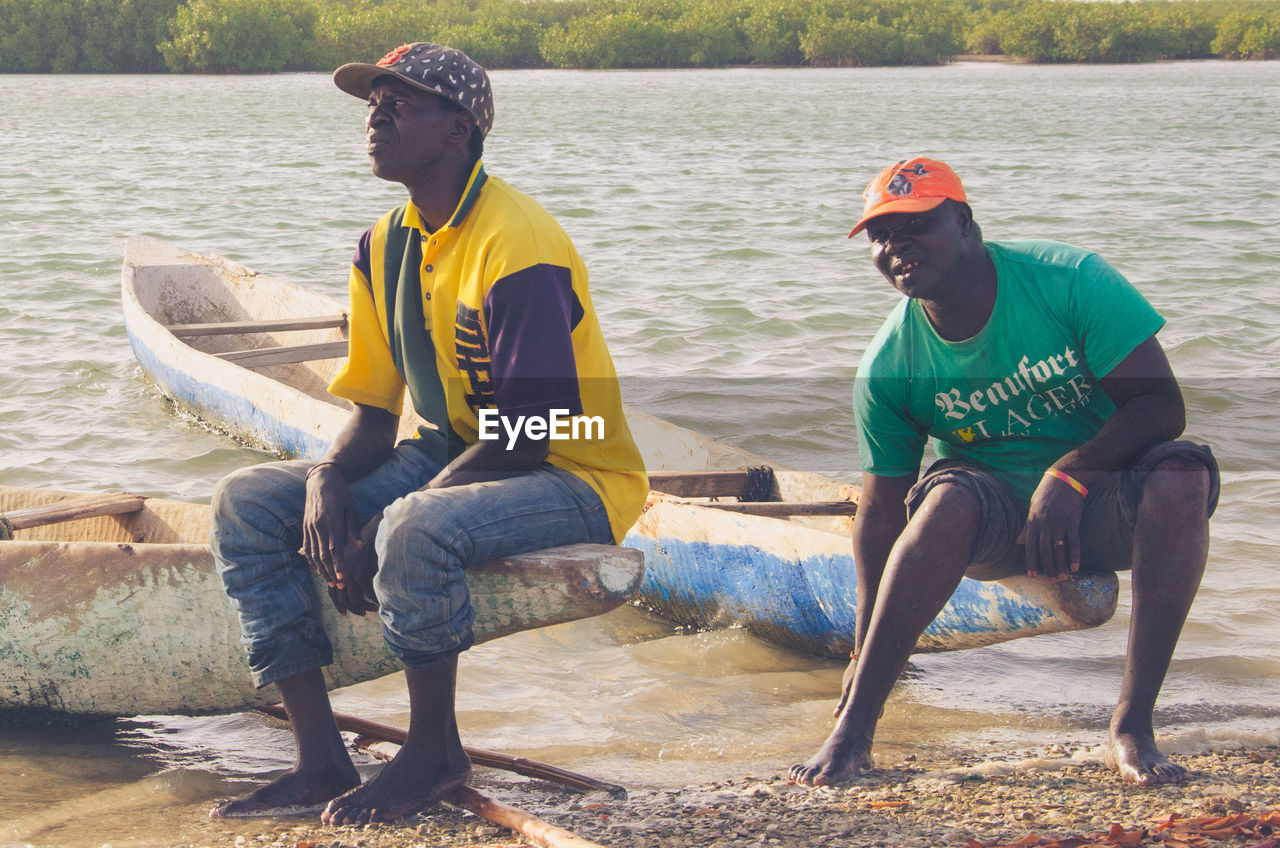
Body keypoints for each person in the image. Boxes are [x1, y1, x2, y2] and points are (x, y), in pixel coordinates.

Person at [208, 42, 647, 824]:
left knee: (412, 526)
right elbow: (376, 416)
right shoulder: (383, 247)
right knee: (245, 500)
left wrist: (387, 521)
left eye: (401, 103)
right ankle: (319, 759)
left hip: (572, 472)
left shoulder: (518, 244)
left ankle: (434, 751)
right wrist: (326, 480)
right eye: (373, 102)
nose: (377, 116)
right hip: (453, 451)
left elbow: (534, 429)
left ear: (459, 131)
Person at [790, 157, 1217, 789]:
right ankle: (853, 734)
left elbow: (1162, 407)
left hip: (1098, 505)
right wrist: (860, 651)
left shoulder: (1069, 280)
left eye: (915, 226)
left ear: (963, 221)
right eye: (881, 237)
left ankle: (1132, 727)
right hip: (996, 525)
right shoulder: (891, 363)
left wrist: (1070, 475)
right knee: (940, 503)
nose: (895, 247)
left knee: (1182, 476)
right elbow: (881, 514)